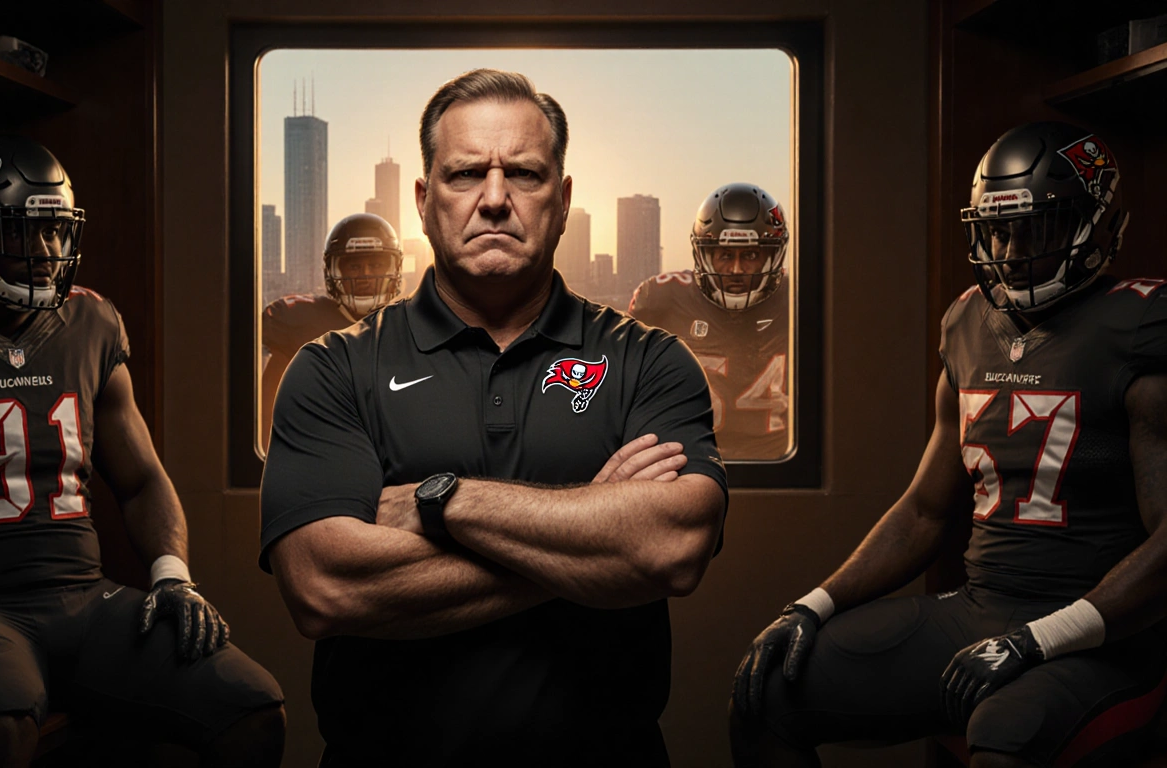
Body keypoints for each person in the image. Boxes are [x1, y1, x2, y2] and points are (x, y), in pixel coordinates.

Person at [260, 69, 729, 767]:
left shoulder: (648, 360)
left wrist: (440, 502)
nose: (495, 199)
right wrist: (593, 537)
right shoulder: (332, 368)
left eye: (527, 175)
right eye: (465, 174)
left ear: (564, 199)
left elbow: (672, 546)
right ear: (423, 200)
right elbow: (325, 588)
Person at [0, 135, 286, 768]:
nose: (47, 252)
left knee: (252, 707)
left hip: (85, 599)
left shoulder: (91, 321)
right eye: (23, 232)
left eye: (55, 231)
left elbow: (143, 479)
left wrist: (172, 578)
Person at [729, 121, 1167, 767]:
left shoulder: (1138, 327)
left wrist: (1040, 640)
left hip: (1102, 630)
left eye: (1035, 228)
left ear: (1092, 226)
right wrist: (813, 604)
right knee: (766, 686)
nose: (1012, 247)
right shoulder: (967, 322)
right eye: (999, 227)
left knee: (1007, 733)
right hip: (983, 608)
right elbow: (925, 511)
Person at [628, 183, 792, 460]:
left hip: (779, 465)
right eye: (725, 255)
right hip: (687, 462)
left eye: (751, 255)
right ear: (703, 254)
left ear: (772, 256)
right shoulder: (662, 300)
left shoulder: (799, 297)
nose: (737, 270)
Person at [259, 212, 404, 449]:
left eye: (376, 264)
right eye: (355, 266)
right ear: (333, 271)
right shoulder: (300, 323)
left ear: (394, 268)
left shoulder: (410, 323)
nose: (366, 276)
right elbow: (268, 423)